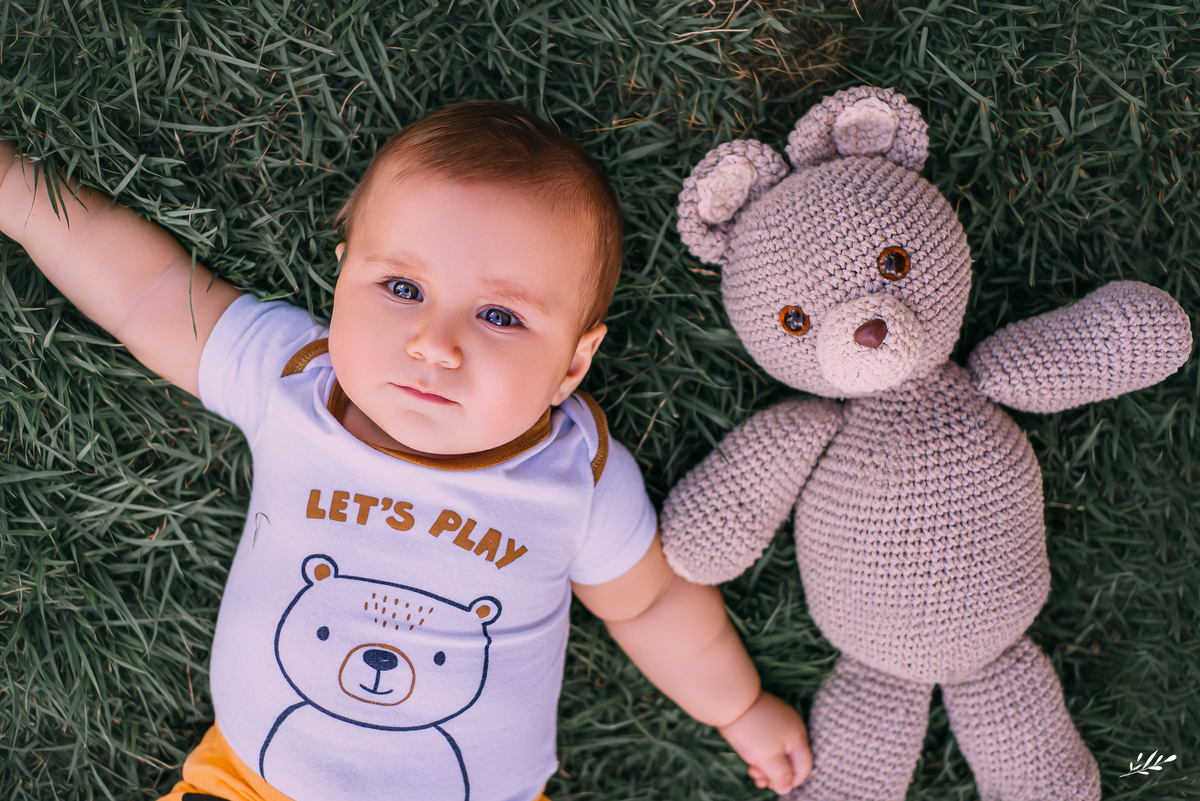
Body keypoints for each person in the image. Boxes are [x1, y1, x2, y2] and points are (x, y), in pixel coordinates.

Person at [0, 100, 810, 801]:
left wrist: (735, 706)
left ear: (571, 363)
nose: (434, 344)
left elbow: (651, 603)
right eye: (401, 289)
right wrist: (19, 197)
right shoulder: (292, 379)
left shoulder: (578, 475)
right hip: (252, 781)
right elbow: (147, 292)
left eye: (499, 316)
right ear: (343, 276)